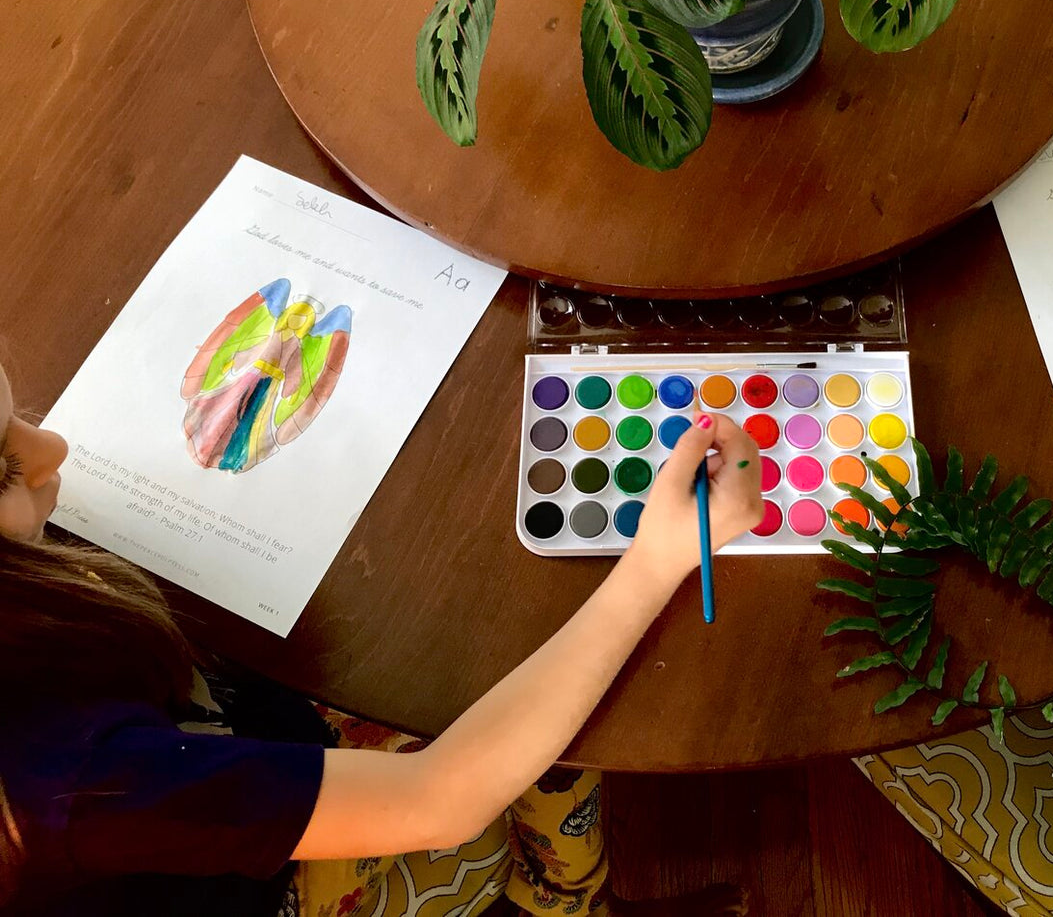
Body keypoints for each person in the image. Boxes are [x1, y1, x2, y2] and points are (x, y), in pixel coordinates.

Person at [0, 354, 763, 916]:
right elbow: (443, 798)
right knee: (546, 733)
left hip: (213, 735)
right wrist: (658, 560)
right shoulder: (67, 782)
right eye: (5, 465)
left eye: (14, 413)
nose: (53, 448)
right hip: (260, 877)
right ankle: (566, 905)